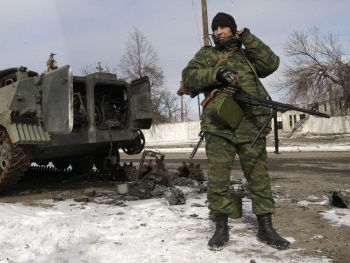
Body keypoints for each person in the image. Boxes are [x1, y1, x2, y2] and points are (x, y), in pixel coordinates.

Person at [181, 12, 290, 251]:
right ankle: (220, 228)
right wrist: (216, 74)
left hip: (251, 124)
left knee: (258, 177)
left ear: (232, 29)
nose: (219, 32)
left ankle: (266, 227)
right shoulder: (207, 55)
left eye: (223, 27)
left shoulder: (246, 53)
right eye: (215, 28)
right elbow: (188, 77)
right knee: (219, 179)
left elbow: (271, 63)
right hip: (219, 126)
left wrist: (249, 39)